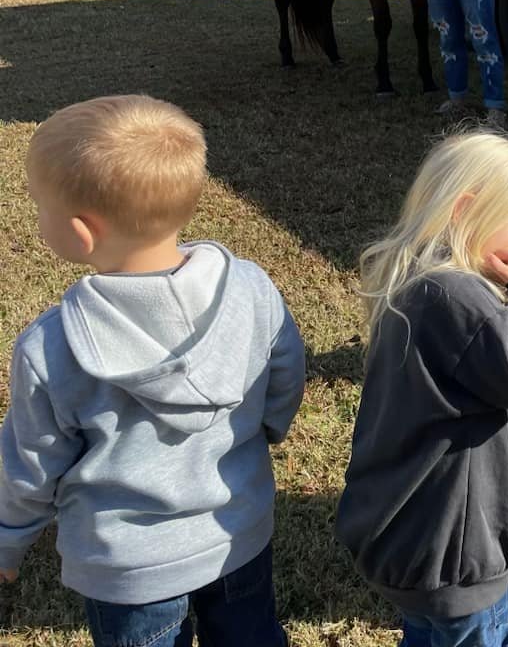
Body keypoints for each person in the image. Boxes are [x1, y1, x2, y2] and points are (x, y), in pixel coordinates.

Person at [0, 95, 305, 646]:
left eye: (38, 206)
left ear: (80, 233)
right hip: (237, 530)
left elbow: (31, 463)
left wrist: (8, 538)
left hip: (126, 570)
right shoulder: (252, 288)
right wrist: (270, 425)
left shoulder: (51, 346)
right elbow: (285, 371)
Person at [335, 132, 508, 647]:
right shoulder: (455, 296)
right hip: (455, 553)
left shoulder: (424, 281)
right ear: (467, 210)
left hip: (422, 535)